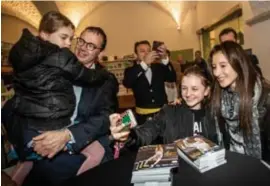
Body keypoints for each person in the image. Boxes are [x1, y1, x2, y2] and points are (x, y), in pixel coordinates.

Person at [1, 11, 110, 185]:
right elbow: (16, 105)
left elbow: (105, 119)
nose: (82, 47)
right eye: (81, 41)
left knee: (47, 171)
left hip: (74, 146)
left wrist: (67, 135)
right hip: (39, 137)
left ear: (99, 51)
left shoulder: (106, 79)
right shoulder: (53, 61)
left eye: (91, 46)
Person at [110, 65, 218, 149]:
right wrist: (128, 136)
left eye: (194, 89)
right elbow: (148, 131)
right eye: (184, 88)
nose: (188, 94)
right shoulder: (169, 112)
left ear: (207, 91)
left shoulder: (215, 114)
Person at [210, 41, 270, 162]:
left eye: (223, 65)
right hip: (231, 162)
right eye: (214, 67)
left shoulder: (264, 97)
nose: (216, 73)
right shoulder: (219, 95)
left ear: (238, 63)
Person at [123, 40, 176, 125]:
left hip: (163, 114)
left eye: (148, 51)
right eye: (142, 51)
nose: (146, 53)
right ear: (136, 55)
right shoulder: (130, 70)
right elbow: (127, 83)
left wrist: (165, 58)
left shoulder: (159, 67)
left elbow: (172, 78)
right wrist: (144, 64)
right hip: (143, 116)